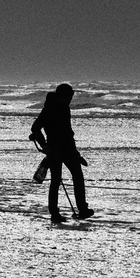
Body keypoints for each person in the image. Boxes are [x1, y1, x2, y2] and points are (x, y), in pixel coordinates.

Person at [30, 82, 94, 223]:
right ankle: (54, 214)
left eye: (71, 96)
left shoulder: (65, 108)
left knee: (78, 176)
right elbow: (35, 128)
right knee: (56, 181)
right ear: (61, 96)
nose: (70, 99)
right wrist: (45, 146)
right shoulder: (48, 109)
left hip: (68, 149)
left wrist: (76, 153)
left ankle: (82, 209)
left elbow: (68, 133)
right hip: (55, 150)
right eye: (68, 96)